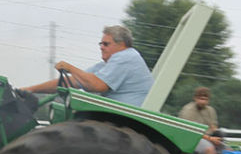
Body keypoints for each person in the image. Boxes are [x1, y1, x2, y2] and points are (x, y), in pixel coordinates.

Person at [20, 25, 153, 107]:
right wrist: (30, 89)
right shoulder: (107, 65)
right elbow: (71, 81)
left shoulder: (126, 57)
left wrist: (70, 68)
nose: (101, 47)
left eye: (106, 44)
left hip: (127, 119)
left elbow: (97, 86)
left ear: (122, 44)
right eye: (100, 44)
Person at [178, 87, 223, 154]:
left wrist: (218, 135)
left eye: (205, 99)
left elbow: (213, 126)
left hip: (207, 137)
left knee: (226, 150)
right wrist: (210, 139)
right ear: (195, 98)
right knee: (210, 149)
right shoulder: (188, 110)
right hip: (191, 138)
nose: (202, 102)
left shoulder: (210, 110)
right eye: (200, 99)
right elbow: (192, 131)